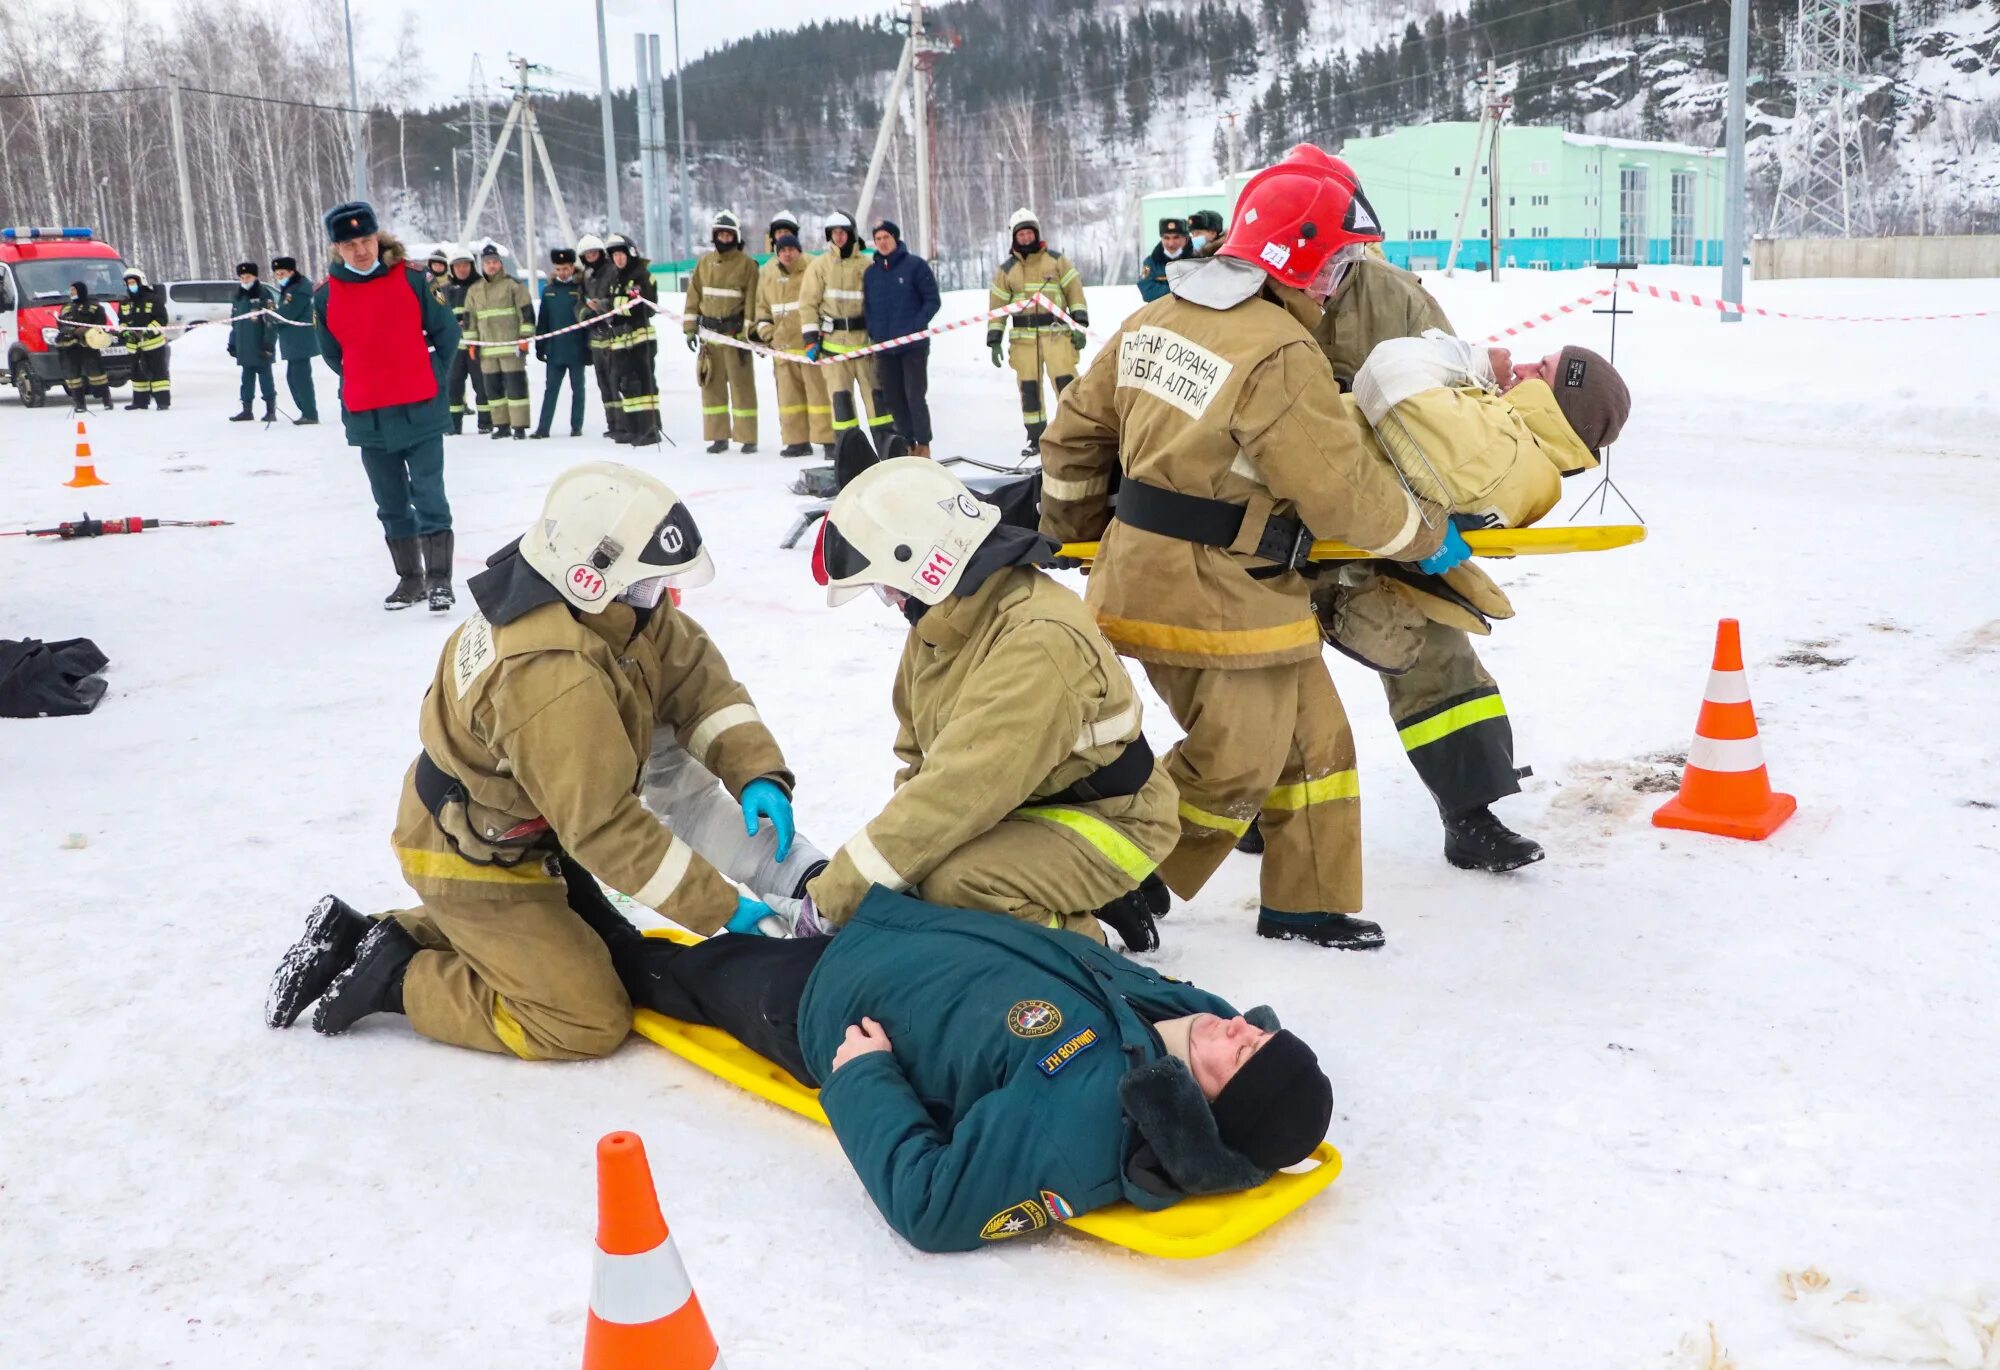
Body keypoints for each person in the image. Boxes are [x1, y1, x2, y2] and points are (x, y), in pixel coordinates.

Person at [1039, 144, 1458, 953]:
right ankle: (1108, 878)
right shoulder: (1279, 350)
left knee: (1317, 743)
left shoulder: (1157, 316)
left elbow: (1074, 434)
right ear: (1294, 258)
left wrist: (1076, 527)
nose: (1338, 284)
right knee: (1235, 762)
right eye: (1334, 265)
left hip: (1188, 578)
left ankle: (1306, 899)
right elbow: (1340, 491)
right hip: (1212, 595)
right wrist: (1425, 536)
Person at [263, 462, 807, 1061]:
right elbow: (605, 827)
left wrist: (755, 770)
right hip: (473, 859)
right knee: (585, 1017)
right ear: (588, 576)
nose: (661, 599)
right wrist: (724, 908)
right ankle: (392, 973)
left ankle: (374, 936)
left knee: (604, 947)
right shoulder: (551, 675)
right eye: (647, 584)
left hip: (524, 837)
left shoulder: (601, 606)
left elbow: (695, 678)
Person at [577, 884, 1336, 1253]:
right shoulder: (1188, 1027)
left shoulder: (1084, 1128)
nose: (1237, 1026)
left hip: (825, 1005)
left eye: (1241, 1055)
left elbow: (934, 1209)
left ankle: (581, 934)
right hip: (896, 937)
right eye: (1256, 1035)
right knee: (723, 939)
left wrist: (865, 1074)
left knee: (678, 973)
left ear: (1208, 1110)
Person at [792, 457, 1178, 949]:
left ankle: (1086, 950)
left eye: (886, 586)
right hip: (1026, 808)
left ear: (923, 564)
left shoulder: (1037, 642)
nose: (889, 599)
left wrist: (835, 897)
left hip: (1115, 820)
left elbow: (955, 793)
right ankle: (1061, 888)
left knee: (959, 885)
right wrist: (897, 872)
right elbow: (920, 760)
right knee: (920, 876)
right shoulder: (942, 623)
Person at [309, 201, 460, 612]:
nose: (361, 250)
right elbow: (333, 354)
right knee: (390, 502)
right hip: (368, 416)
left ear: (378, 238)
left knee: (430, 496)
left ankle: (441, 581)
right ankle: (411, 581)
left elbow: (447, 335)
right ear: (337, 248)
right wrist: (367, 376)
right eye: (350, 243)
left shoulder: (414, 280)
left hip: (421, 410)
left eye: (367, 240)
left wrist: (427, 374)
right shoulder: (325, 295)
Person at [987, 208, 1090, 457]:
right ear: (1014, 237)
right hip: (1023, 341)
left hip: (1056, 335)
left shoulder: (1056, 261)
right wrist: (994, 339)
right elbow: (997, 306)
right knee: (1030, 389)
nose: (1025, 238)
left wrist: (1079, 326)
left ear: (1037, 234)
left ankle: (1074, 432)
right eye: (1020, 234)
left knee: (1066, 383)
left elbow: (1074, 292)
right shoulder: (1006, 270)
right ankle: (1036, 437)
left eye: (1029, 233)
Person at [799, 210, 893, 444]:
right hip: (834, 350)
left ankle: (888, 452)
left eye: (843, 232)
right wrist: (811, 340)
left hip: (865, 348)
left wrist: (881, 337)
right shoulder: (820, 267)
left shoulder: (868, 264)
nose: (839, 237)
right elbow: (808, 304)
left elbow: (882, 303)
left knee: (878, 404)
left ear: (851, 234)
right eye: (834, 233)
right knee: (842, 408)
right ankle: (848, 455)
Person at [860, 220, 941, 457]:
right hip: (885, 348)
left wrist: (915, 326)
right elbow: (869, 307)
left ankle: (923, 445)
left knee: (914, 396)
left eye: (886, 237)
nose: (882, 243)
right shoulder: (871, 273)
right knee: (894, 398)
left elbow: (932, 300)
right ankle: (907, 443)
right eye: (878, 239)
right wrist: (874, 332)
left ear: (895, 239)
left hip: (913, 346)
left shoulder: (915, 266)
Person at [685, 210, 760, 454]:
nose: (724, 238)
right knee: (711, 388)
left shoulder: (747, 264)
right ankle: (718, 436)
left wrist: (747, 332)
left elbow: (752, 301)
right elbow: (693, 296)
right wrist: (689, 328)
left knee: (742, 388)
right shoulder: (704, 263)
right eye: (720, 234)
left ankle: (747, 437)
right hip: (709, 338)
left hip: (734, 336)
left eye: (729, 234)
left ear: (736, 237)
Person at [755, 227, 833, 458]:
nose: (787, 254)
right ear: (777, 253)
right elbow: (761, 307)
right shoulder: (768, 274)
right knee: (789, 400)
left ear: (798, 250)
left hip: (810, 348)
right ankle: (796, 441)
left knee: (820, 397)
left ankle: (829, 440)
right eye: (783, 250)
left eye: (791, 249)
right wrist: (767, 333)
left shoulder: (814, 267)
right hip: (783, 349)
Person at [465, 243, 534, 440]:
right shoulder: (475, 290)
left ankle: (519, 427)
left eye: (494, 262)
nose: (492, 266)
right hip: (487, 351)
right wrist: (472, 344)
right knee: (493, 392)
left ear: (500, 264)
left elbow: (527, 314)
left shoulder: (513, 285)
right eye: (488, 263)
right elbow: (470, 320)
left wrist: (524, 338)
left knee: (516, 390)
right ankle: (501, 425)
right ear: (482, 266)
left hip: (511, 348)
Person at [604, 235, 662, 446]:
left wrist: (616, 307)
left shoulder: (642, 275)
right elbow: (614, 304)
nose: (618, 259)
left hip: (640, 340)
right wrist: (615, 306)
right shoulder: (615, 278)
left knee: (644, 384)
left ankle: (650, 428)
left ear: (630, 254)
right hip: (620, 340)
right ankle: (632, 427)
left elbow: (645, 306)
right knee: (626, 385)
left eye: (621, 254)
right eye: (615, 255)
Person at [531, 248, 590, 439]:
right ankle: (543, 428)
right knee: (551, 389)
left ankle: (576, 426)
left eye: (565, 268)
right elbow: (543, 321)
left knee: (578, 389)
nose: (562, 272)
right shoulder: (548, 291)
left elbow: (588, 321)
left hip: (577, 349)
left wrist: (588, 348)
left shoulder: (581, 289)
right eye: (558, 269)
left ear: (573, 267)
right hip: (555, 350)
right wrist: (540, 345)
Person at [576, 233, 624, 442]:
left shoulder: (612, 271)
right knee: (603, 383)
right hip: (595, 339)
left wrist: (602, 307)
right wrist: (584, 314)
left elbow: (616, 298)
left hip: (612, 336)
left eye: (594, 252)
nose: (591, 256)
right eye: (587, 254)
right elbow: (578, 303)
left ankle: (622, 424)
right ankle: (611, 423)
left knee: (616, 382)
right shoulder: (586, 276)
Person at [439, 246, 490, 435]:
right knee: (453, 386)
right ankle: (453, 425)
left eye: (465, 265)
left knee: (482, 385)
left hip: (477, 345)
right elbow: (436, 314)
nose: (462, 269)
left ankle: (486, 423)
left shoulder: (481, 286)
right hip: (454, 349)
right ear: (452, 268)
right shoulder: (442, 290)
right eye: (458, 266)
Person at [271, 256, 320, 426]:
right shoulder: (291, 288)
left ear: (292, 272)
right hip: (292, 340)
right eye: (277, 274)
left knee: (300, 377)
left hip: (300, 340)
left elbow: (288, 313)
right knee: (293, 377)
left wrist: (273, 316)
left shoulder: (299, 289)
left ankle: (310, 413)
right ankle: (305, 411)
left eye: (282, 273)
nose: (279, 277)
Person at [226, 261, 277, 422]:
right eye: (242, 277)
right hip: (244, 346)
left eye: (248, 276)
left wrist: (268, 343)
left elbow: (270, 321)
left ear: (255, 277)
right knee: (246, 379)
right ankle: (246, 410)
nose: (245, 280)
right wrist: (233, 343)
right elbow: (235, 322)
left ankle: (270, 410)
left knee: (265, 378)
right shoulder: (238, 296)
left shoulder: (263, 294)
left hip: (259, 345)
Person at [53, 281, 112, 413]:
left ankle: (106, 400)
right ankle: (79, 404)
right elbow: (60, 324)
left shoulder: (95, 307)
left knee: (97, 374)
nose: (72, 293)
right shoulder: (66, 307)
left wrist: (85, 330)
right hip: (68, 347)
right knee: (73, 376)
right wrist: (69, 330)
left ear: (81, 291)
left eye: (74, 290)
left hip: (87, 346)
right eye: (71, 291)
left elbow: (100, 324)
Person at [118, 268, 171, 411]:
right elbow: (122, 321)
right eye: (128, 283)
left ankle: (162, 402)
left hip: (153, 344)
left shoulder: (153, 299)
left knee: (158, 373)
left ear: (141, 282)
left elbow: (161, 319)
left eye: (133, 282)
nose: (131, 285)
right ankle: (140, 402)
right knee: (136, 374)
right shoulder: (125, 302)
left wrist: (148, 331)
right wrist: (125, 332)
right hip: (134, 346)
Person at [1136, 216, 1190, 303]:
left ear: (1185, 239)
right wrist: (1178, 291)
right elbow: (1146, 291)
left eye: (1176, 237)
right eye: (1166, 238)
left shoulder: (1197, 259)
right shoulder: (1149, 263)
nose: (1171, 243)